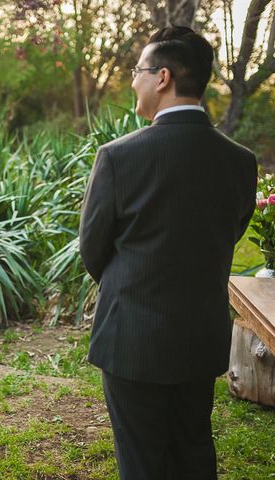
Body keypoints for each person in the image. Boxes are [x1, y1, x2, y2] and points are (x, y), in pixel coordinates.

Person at [79, 26, 257, 480]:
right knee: (194, 448)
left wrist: (132, 287)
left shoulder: (118, 156)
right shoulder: (240, 160)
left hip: (132, 336)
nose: (133, 82)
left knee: (141, 460)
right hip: (200, 335)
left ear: (162, 77)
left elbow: (93, 248)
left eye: (138, 71)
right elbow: (231, 233)